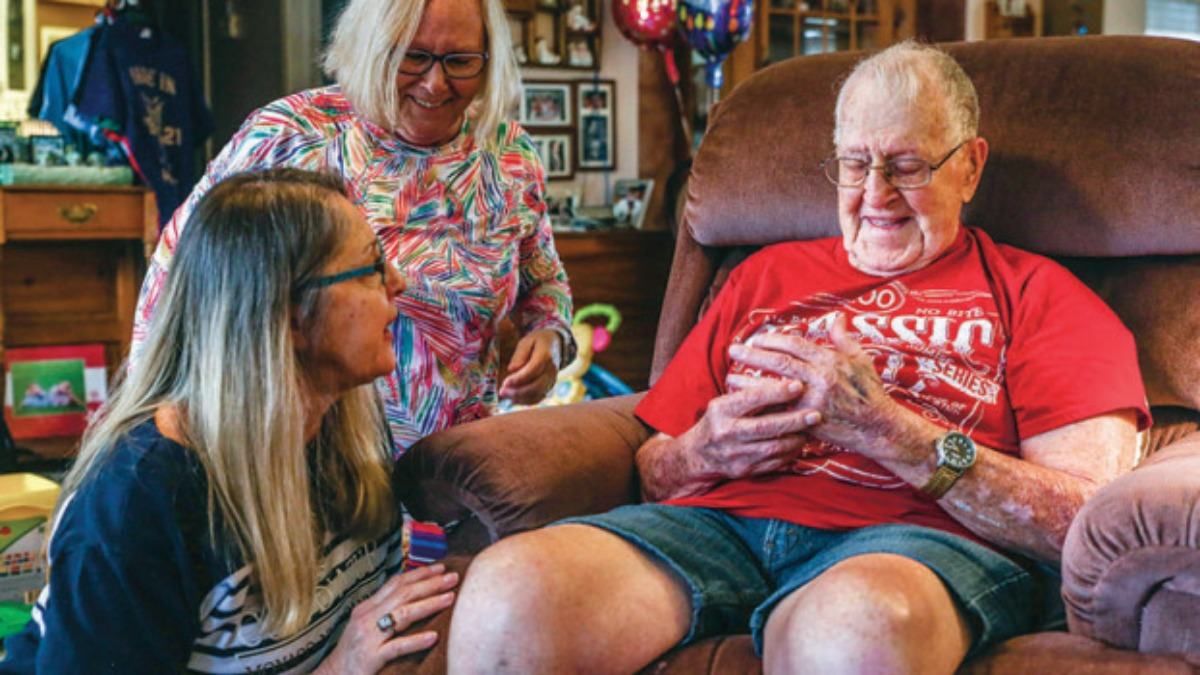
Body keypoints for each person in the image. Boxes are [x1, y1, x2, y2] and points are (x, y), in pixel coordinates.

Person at [447, 42, 1150, 674]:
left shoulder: (1041, 295)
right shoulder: (764, 275)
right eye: (854, 163)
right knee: (510, 587)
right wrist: (704, 450)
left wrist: (892, 432)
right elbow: (654, 469)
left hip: (913, 544)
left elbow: (1082, 522)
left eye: (906, 165)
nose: (875, 194)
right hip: (715, 528)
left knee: (854, 628)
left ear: (969, 165)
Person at [0, 169, 459, 674]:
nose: (399, 281)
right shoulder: (134, 503)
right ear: (290, 315)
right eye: (372, 267)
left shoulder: (351, 420)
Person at [131, 0, 574, 456]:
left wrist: (551, 336)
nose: (435, 83)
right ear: (369, 49)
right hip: (305, 456)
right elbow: (177, 272)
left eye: (459, 61)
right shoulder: (292, 136)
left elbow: (543, 279)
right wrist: (153, 434)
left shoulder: (510, 155)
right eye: (412, 57)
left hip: (453, 462)